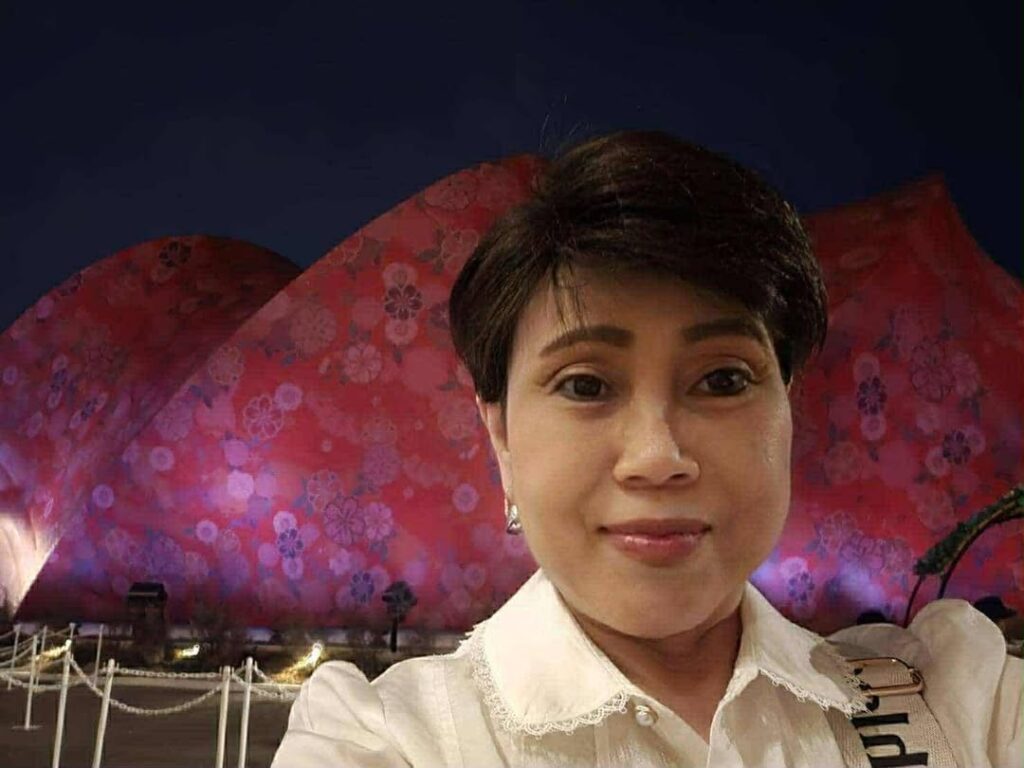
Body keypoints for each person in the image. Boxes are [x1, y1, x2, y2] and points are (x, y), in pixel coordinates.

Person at [272, 131, 1022, 767]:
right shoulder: (391, 741)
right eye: (586, 385)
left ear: (787, 410)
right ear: (500, 436)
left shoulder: (961, 703)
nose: (658, 457)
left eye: (723, 380)